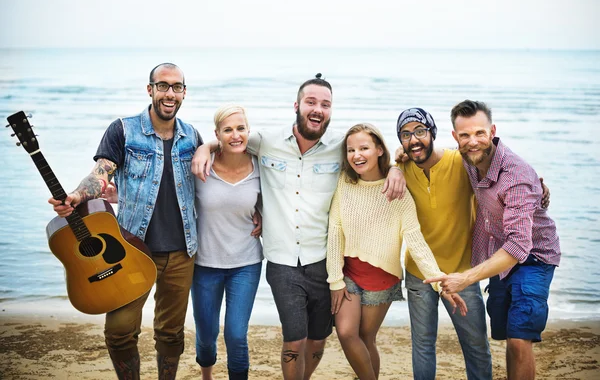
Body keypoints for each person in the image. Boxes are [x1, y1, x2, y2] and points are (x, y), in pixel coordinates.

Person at [192, 74, 406, 380]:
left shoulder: (340, 147)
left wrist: (397, 169)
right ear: (297, 105)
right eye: (311, 102)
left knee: (319, 339)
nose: (317, 109)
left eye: (325, 104)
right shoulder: (266, 142)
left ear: (331, 110)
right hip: (281, 264)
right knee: (294, 339)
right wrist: (204, 148)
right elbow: (231, 138)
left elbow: (373, 154)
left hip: (324, 261)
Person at [48, 63, 202, 380]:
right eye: (162, 85)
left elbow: (211, 182)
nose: (169, 93)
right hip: (132, 249)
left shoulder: (192, 137)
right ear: (150, 89)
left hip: (183, 252)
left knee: (171, 333)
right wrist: (78, 195)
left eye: (176, 87)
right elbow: (101, 172)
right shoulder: (123, 130)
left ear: (184, 93)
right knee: (119, 331)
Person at [425, 100, 561, 380]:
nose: (473, 141)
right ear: (455, 137)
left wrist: (465, 278)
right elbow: (435, 156)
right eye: (465, 135)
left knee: (520, 337)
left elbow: (519, 246)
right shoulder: (468, 158)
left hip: (533, 256)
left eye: (479, 133)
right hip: (500, 254)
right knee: (507, 332)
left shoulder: (516, 177)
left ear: (493, 131)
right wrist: (400, 157)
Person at [326, 123, 467, 380]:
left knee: (367, 338)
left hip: (382, 278)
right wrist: (335, 279)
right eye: (351, 150)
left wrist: (439, 282)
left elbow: (416, 241)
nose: (356, 155)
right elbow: (335, 231)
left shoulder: (398, 192)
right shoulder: (344, 183)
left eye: (364, 148)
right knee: (346, 333)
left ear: (379, 149)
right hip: (348, 274)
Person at [396, 108, 493, 379]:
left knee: (476, 347)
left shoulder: (461, 162)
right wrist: (393, 166)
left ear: (433, 133)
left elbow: (498, 172)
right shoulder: (401, 168)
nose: (414, 140)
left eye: (420, 131)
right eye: (405, 134)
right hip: (419, 274)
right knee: (423, 346)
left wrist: (537, 186)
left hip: (462, 273)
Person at [191, 104, 263, 380]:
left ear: (249, 131)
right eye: (228, 130)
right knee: (207, 335)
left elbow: (280, 200)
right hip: (204, 264)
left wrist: (263, 216)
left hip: (246, 263)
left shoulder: (260, 167)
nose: (236, 135)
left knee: (236, 334)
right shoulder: (200, 166)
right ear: (217, 134)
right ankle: (206, 375)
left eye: (241, 128)